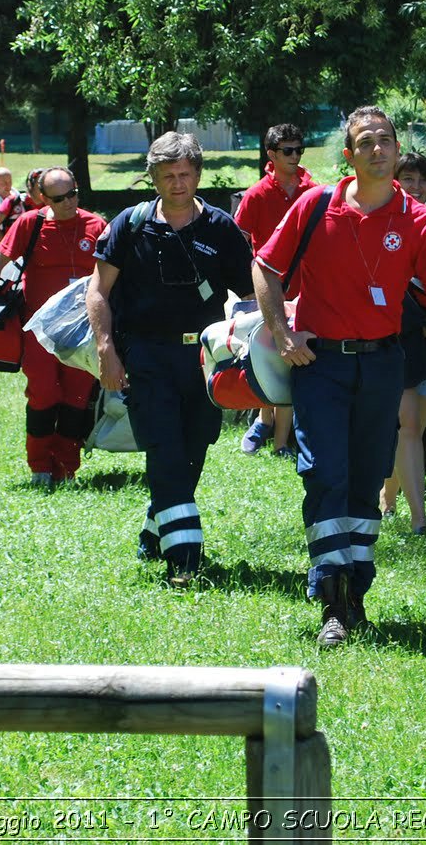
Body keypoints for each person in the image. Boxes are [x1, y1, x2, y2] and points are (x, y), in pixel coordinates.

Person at [253, 107, 426, 646]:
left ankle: (356, 592)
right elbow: (266, 269)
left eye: (385, 141)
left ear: (397, 151)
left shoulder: (419, 220)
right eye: (364, 142)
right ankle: (332, 596)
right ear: (349, 155)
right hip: (320, 363)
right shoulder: (315, 205)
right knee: (326, 471)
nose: (376, 149)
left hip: (384, 362)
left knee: (368, 475)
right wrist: (282, 333)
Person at [87, 132, 255, 586]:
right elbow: (98, 291)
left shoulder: (221, 229)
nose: (177, 183)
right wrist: (107, 350)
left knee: (191, 452)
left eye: (185, 174)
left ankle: (153, 530)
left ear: (198, 175)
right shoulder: (131, 223)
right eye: (167, 175)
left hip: (203, 359)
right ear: (153, 177)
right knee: (163, 447)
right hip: (145, 355)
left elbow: (251, 297)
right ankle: (185, 558)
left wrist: (256, 357)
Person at [0, 167, 106, 486]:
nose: (69, 203)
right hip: (40, 331)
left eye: (72, 194)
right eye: (59, 198)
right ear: (43, 198)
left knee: (76, 398)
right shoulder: (30, 224)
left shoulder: (97, 225)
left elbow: (115, 269)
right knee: (44, 394)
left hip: (82, 331)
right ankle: (40, 467)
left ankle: (66, 468)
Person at [233, 123, 317, 458]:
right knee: (267, 357)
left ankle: (284, 436)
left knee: (296, 360)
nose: (295, 156)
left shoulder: (314, 190)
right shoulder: (256, 194)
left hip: (306, 289)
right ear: (271, 154)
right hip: (268, 291)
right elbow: (238, 239)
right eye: (287, 151)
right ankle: (265, 421)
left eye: (299, 149)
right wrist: (247, 287)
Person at [381, 152, 426, 534]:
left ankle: (387, 500)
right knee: (405, 428)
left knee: (414, 430)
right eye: (409, 178)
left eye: (423, 180)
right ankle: (418, 519)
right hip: (395, 341)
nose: (416, 186)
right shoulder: (382, 223)